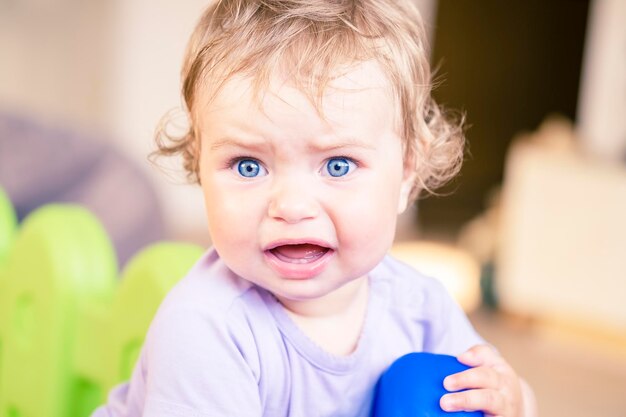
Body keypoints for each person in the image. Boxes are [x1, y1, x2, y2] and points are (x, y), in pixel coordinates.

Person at [94, 0, 537, 416]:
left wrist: (513, 400)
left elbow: (499, 389)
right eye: (248, 166)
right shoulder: (206, 328)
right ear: (200, 164)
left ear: (406, 173)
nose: (291, 206)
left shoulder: (419, 306)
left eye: (338, 165)